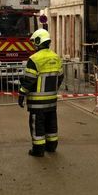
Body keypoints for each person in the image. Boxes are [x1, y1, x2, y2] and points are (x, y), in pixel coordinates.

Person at [18, 29, 63, 157]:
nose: (34, 45)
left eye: (35, 42)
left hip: (37, 102)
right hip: (52, 100)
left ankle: (38, 150)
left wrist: (22, 93)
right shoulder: (56, 57)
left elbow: (29, 81)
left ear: (38, 41)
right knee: (51, 124)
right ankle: (52, 146)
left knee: (37, 125)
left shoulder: (34, 59)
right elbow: (60, 77)